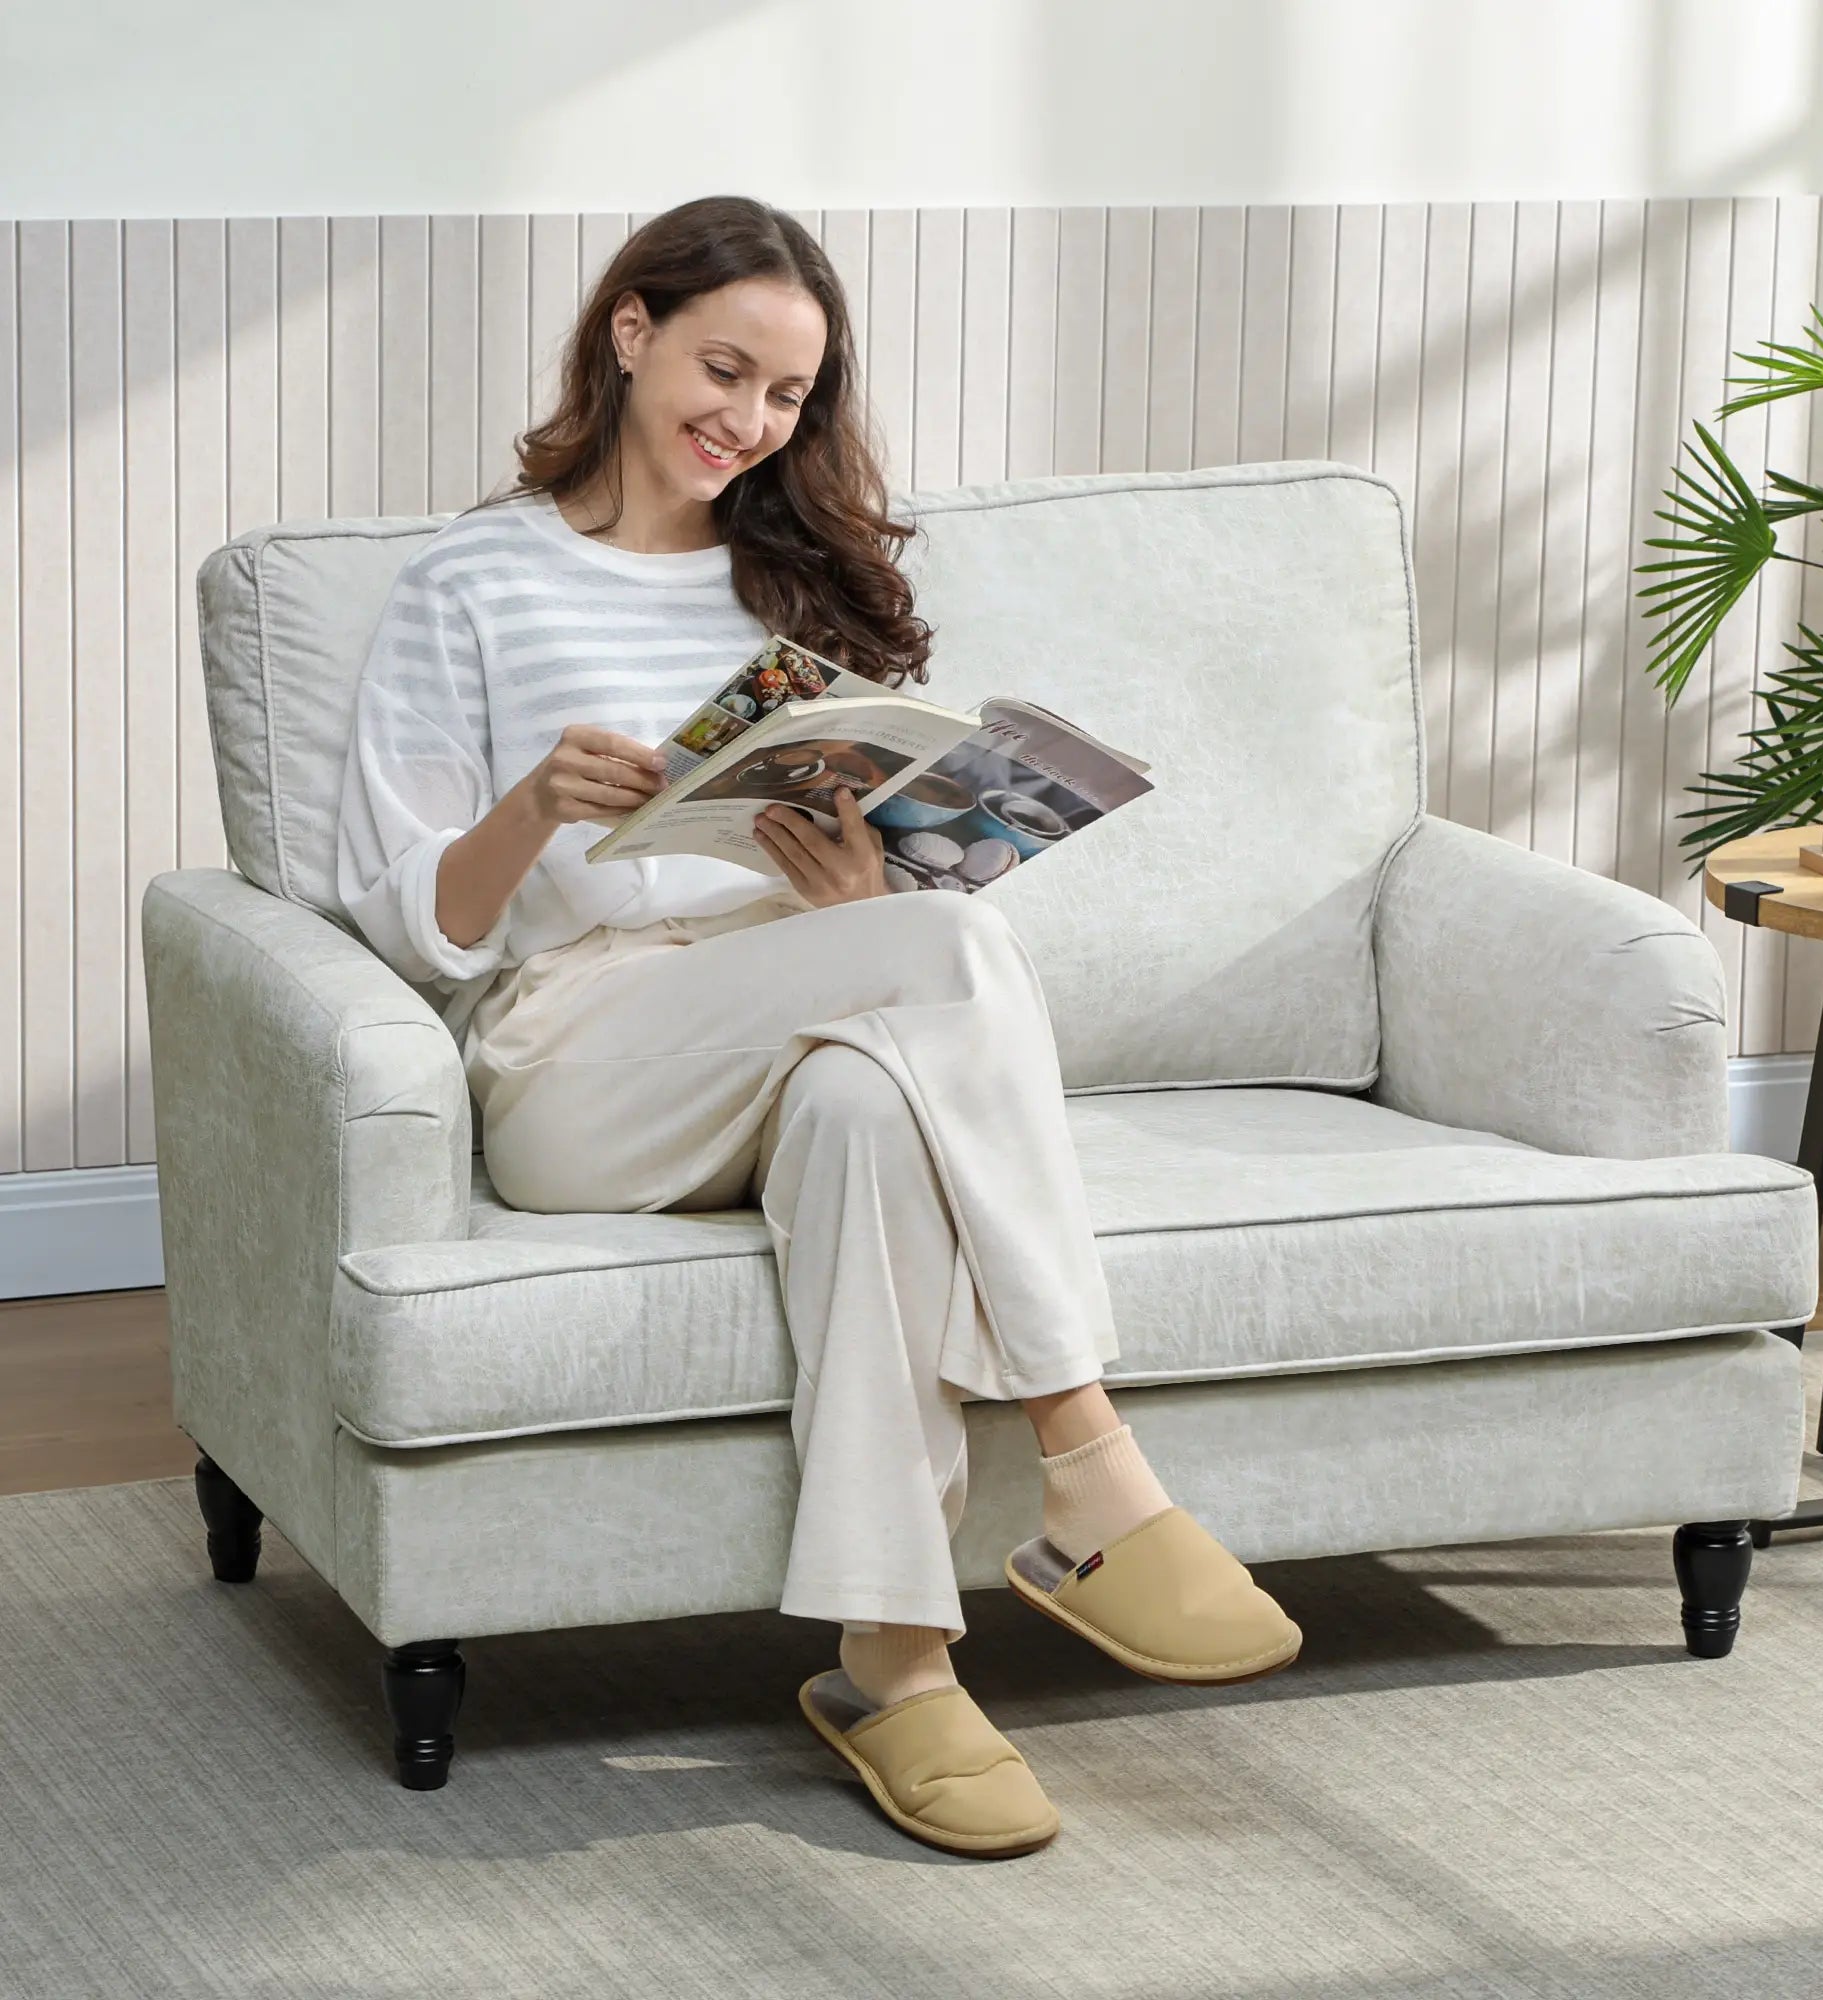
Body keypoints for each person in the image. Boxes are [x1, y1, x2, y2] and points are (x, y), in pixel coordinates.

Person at [334, 194, 1300, 1859]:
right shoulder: (472, 580)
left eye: (787, 395)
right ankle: (1090, 1460)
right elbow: (404, 922)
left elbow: (876, 903)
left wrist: (856, 897)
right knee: (942, 953)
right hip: (580, 1053)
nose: (751, 420)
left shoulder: (790, 583)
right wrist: (529, 806)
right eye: (725, 370)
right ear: (629, 331)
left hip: (798, 1004)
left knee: (872, 1106)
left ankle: (893, 1665)